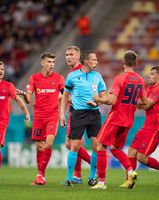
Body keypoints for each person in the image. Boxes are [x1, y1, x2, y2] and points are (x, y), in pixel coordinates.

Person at [90, 50, 144, 190]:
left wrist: (99, 99)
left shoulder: (120, 78)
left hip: (116, 117)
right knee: (115, 148)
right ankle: (130, 171)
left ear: (123, 62)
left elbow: (112, 101)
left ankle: (101, 182)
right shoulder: (140, 80)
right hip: (128, 120)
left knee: (100, 146)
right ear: (136, 63)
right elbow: (143, 102)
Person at [17, 53, 65, 185]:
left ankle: (39, 175)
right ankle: (41, 176)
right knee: (39, 146)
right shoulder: (33, 78)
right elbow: (28, 98)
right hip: (38, 117)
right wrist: (23, 94)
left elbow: (64, 94)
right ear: (42, 63)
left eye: (53, 62)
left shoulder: (59, 78)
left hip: (52, 116)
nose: (51, 64)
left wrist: (60, 105)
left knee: (48, 144)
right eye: (49, 62)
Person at [60, 50, 106, 187]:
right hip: (78, 114)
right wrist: (62, 114)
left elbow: (104, 97)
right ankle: (69, 178)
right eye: (94, 60)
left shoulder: (97, 76)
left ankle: (92, 177)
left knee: (96, 146)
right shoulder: (72, 76)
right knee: (74, 146)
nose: (96, 62)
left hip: (94, 114)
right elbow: (65, 96)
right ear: (86, 61)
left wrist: (96, 102)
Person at [125, 66, 159, 188]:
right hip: (146, 126)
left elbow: (146, 105)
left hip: (156, 128)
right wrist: (140, 103)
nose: (149, 75)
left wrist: (129, 101)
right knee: (131, 151)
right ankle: (130, 181)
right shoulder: (150, 88)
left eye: (152, 74)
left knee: (141, 157)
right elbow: (142, 103)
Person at [65, 46, 91, 184]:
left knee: (70, 144)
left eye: (71, 54)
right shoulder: (74, 72)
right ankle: (77, 175)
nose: (68, 57)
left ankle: (95, 164)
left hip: (78, 112)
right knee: (75, 144)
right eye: (67, 54)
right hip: (77, 111)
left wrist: (66, 97)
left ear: (78, 56)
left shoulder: (80, 71)